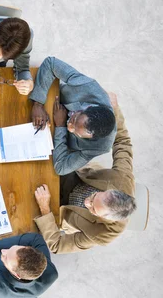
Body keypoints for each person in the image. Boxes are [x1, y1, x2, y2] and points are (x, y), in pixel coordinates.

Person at [32, 94, 137, 253]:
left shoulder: (104, 235)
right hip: (72, 176)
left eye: (93, 209)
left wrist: (45, 209)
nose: (88, 202)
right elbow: (122, 143)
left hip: (57, 210)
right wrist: (115, 110)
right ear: (111, 191)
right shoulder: (122, 179)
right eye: (95, 196)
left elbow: (57, 245)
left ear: (106, 219)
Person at [30, 57, 117, 175]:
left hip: (53, 137)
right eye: (75, 119)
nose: (70, 127)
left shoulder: (101, 146)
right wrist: (38, 103)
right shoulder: (88, 86)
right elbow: (51, 63)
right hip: (49, 99)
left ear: (92, 137)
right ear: (87, 108)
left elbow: (61, 168)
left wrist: (61, 126)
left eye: (76, 132)